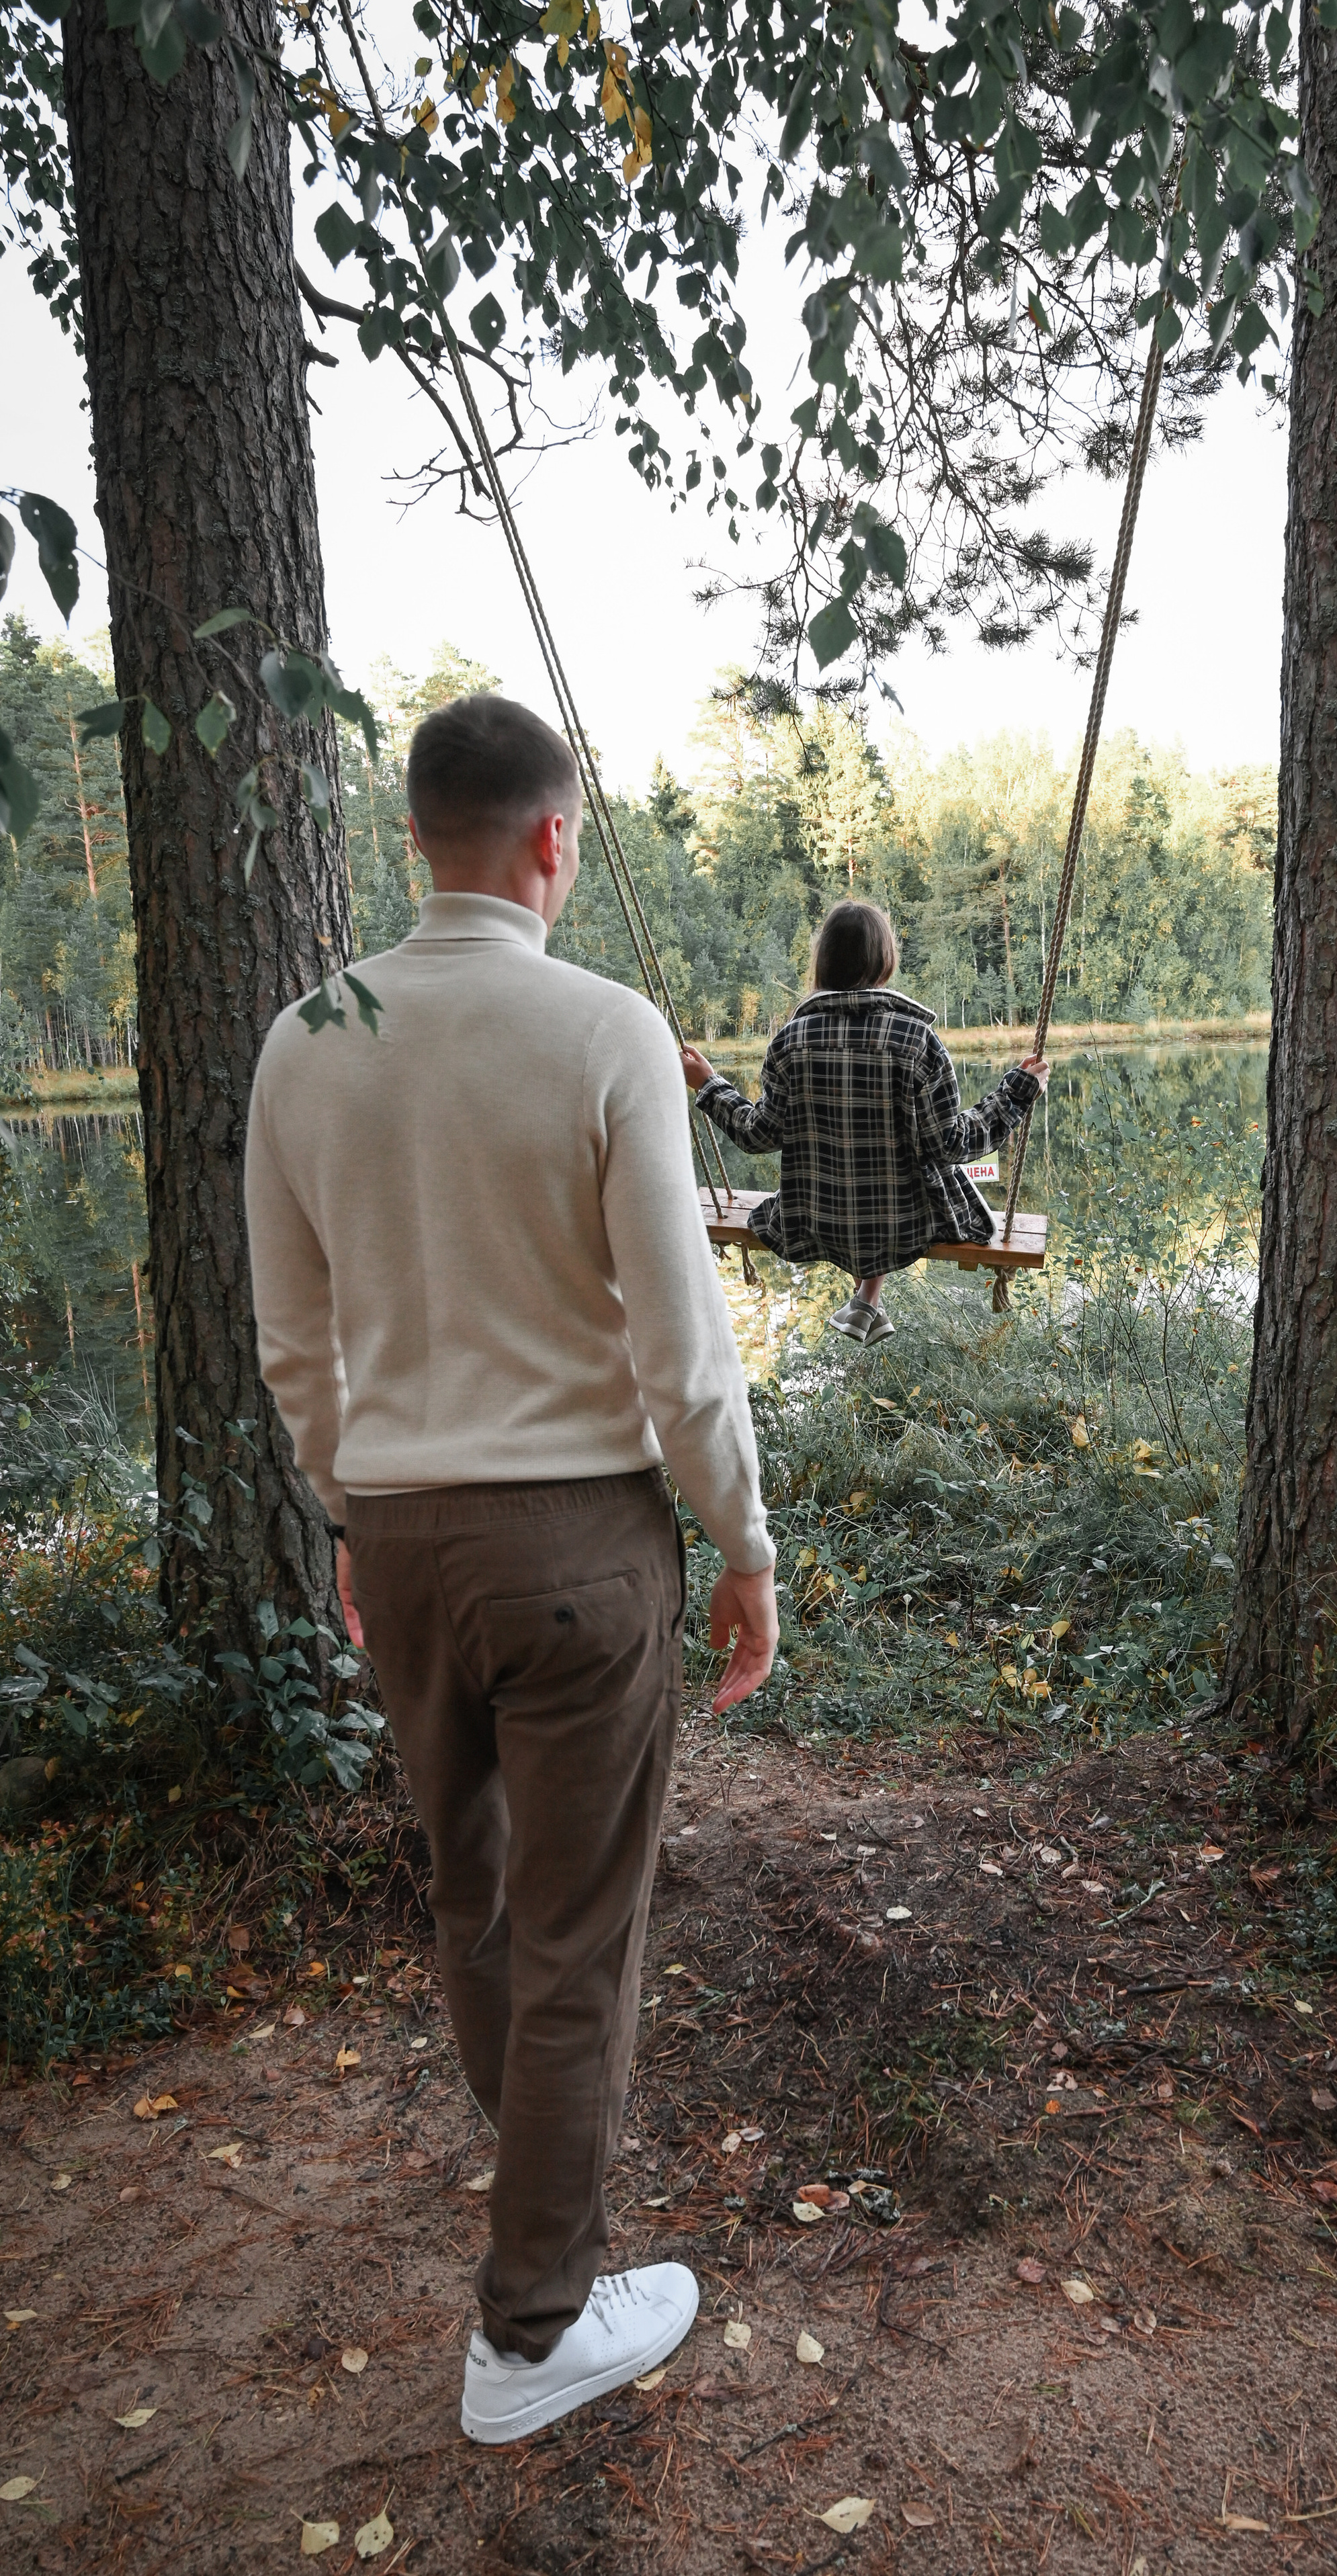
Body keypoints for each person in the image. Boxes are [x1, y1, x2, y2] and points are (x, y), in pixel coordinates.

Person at [244, 693, 778, 2445]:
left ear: (418, 836)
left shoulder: (304, 1041)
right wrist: (743, 1542)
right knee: (575, 1935)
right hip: (577, 1548)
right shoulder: (608, 1029)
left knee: (475, 1898)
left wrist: (350, 1510)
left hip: (397, 1541)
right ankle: (533, 2324)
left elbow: (291, 1341)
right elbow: (684, 1347)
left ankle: (540, 2191)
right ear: (556, 840)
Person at [681, 898, 1049, 1344]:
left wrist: (710, 1085)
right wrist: (1017, 1092)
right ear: (885, 962)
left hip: (818, 1221)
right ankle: (868, 1298)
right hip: (904, 1226)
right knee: (925, 1169)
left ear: (825, 961)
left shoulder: (789, 1043)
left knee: (855, 1171)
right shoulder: (918, 1041)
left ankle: (867, 1299)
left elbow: (758, 1135)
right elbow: (952, 1143)